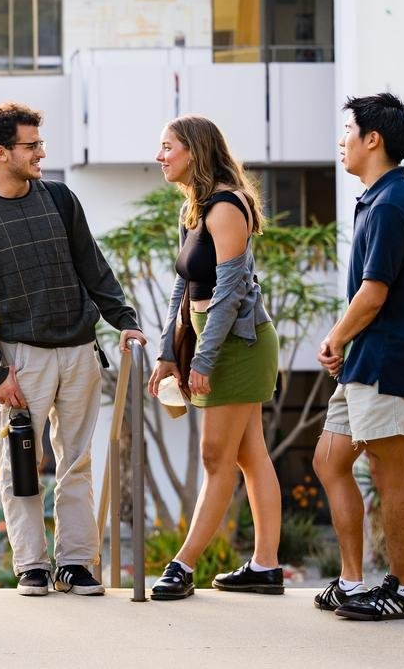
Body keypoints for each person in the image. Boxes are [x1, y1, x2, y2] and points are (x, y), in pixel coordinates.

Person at [0, 101, 145, 597]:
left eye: (40, 142)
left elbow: (93, 268)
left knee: (77, 461)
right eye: (31, 145)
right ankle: (32, 565)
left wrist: (124, 321)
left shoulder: (61, 200)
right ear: (1, 153)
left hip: (79, 350)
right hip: (21, 358)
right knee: (21, 463)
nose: (41, 151)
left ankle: (76, 564)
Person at [148, 114, 283, 601]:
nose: (160, 156)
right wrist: (168, 354)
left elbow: (228, 294)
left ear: (194, 151)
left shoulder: (226, 206)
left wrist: (202, 361)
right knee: (249, 454)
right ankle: (266, 566)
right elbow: (182, 288)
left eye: (167, 147)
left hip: (238, 346)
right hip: (214, 339)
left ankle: (182, 566)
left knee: (214, 456)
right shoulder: (196, 207)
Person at [312, 92, 404, 621]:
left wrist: (336, 336)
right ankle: (354, 581)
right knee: (329, 460)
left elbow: (374, 292)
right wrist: (345, 342)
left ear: (372, 139)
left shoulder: (392, 204)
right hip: (366, 361)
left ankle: (402, 591)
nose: (341, 142)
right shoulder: (376, 199)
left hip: (387, 362)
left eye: (346, 132)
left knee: (389, 472)